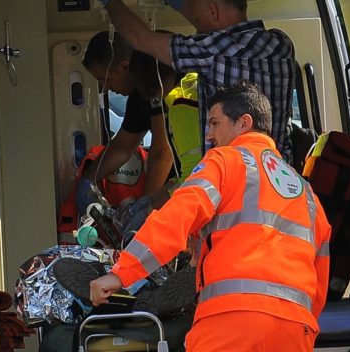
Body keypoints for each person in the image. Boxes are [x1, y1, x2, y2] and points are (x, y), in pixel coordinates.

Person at [90, 81, 331, 351]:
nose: (209, 135)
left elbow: (175, 217)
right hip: (295, 329)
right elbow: (319, 277)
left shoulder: (224, 161)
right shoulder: (305, 191)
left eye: (215, 123)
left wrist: (121, 274)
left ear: (244, 122)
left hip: (231, 322)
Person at [93, 0, 296, 165]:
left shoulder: (214, 50)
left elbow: (141, 39)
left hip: (234, 187)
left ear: (213, 11)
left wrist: (110, 3)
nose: (198, 32)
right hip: (278, 180)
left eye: (197, 22)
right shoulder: (282, 43)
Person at [76, 30, 174, 214]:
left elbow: (162, 152)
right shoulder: (139, 98)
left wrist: (146, 209)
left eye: (106, 80)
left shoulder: (161, 86)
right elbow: (122, 147)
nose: (105, 88)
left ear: (124, 67)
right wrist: (87, 181)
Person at [116, 50, 201, 234]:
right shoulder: (194, 86)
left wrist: (151, 207)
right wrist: (150, 200)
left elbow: (194, 177)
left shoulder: (182, 106)